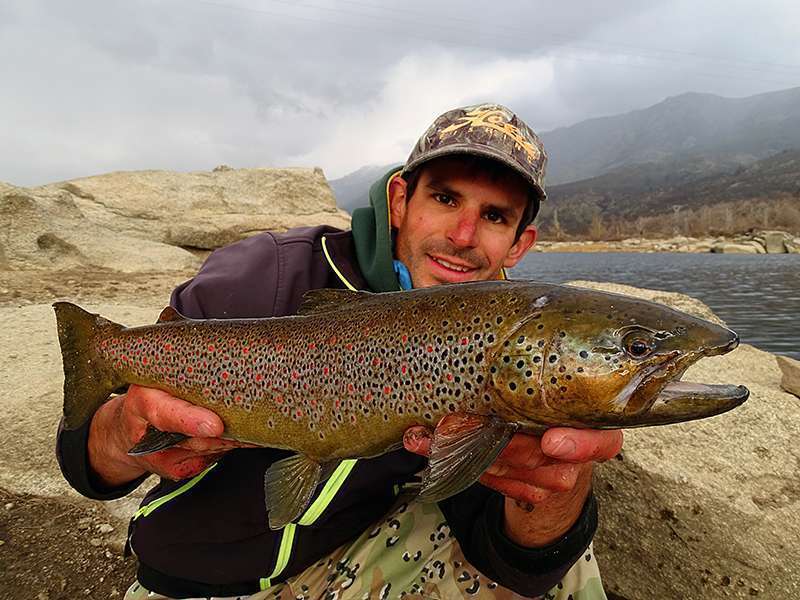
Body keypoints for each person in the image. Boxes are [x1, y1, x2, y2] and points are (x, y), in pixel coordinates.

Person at [56, 103, 623, 599]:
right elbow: (86, 464)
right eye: (446, 198)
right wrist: (122, 436)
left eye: (495, 216)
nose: (463, 234)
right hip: (188, 585)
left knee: (573, 561)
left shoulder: (509, 348)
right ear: (400, 199)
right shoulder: (268, 272)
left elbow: (514, 566)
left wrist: (554, 494)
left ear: (521, 243)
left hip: (350, 569)